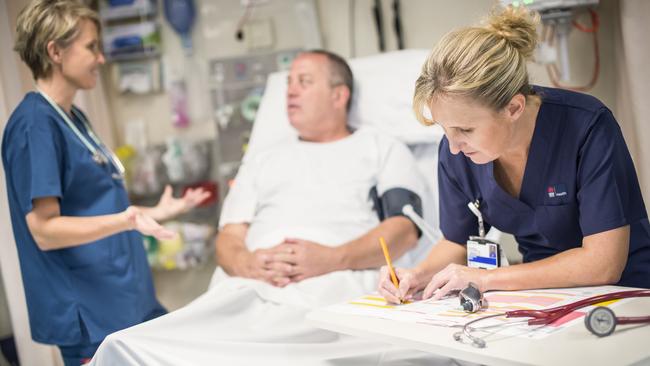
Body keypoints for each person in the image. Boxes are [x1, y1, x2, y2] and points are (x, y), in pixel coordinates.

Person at [89, 50, 449, 365]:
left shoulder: (381, 148)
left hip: (338, 285)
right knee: (129, 346)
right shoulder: (264, 159)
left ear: (339, 95)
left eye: (304, 81)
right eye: (289, 82)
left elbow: (404, 229)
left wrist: (332, 258)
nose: (290, 90)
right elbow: (229, 237)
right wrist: (248, 264)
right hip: (251, 290)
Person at [378, 6, 650, 305]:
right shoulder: (457, 151)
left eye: (465, 129)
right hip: (537, 298)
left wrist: (486, 279)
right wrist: (418, 274)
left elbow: (603, 264)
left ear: (514, 108)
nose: (453, 147)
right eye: (445, 129)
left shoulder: (587, 127)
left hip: (624, 295)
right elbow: (456, 241)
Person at [1, 1, 209, 364]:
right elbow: (45, 230)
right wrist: (127, 219)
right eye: (91, 47)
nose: (101, 58)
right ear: (55, 51)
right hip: (91, 310)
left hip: (124, 297)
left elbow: (95, 204)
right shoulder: (35, 125)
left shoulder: (73, 118)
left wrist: (160, 210)